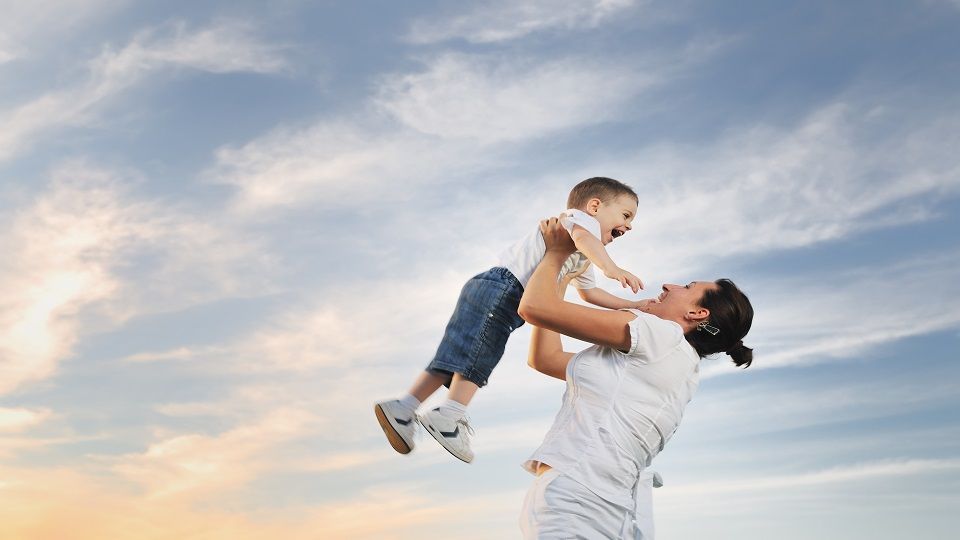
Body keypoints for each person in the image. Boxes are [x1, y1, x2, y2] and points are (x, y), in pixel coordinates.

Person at [375, 177, 645, 463]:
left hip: (490, 285)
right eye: (626, 215)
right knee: (482, 351)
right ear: (594, 206)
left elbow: (590, 293)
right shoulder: (577, 223)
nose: (629, 226)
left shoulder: (584, 256)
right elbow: (584, 238)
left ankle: (403, 409)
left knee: (457, 353)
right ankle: (449, 415)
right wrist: (612, 268)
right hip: (506, 288)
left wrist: (632, 304)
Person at [517, 217, 754, 539]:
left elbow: (534, 307)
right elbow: (546, 359)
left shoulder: (661, 335)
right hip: (609, 506)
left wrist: (556, 253)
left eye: (687, 288)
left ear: (698, 314)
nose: (669, 285)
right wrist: (560, 280)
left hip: (577, 497)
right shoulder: (676, 363)